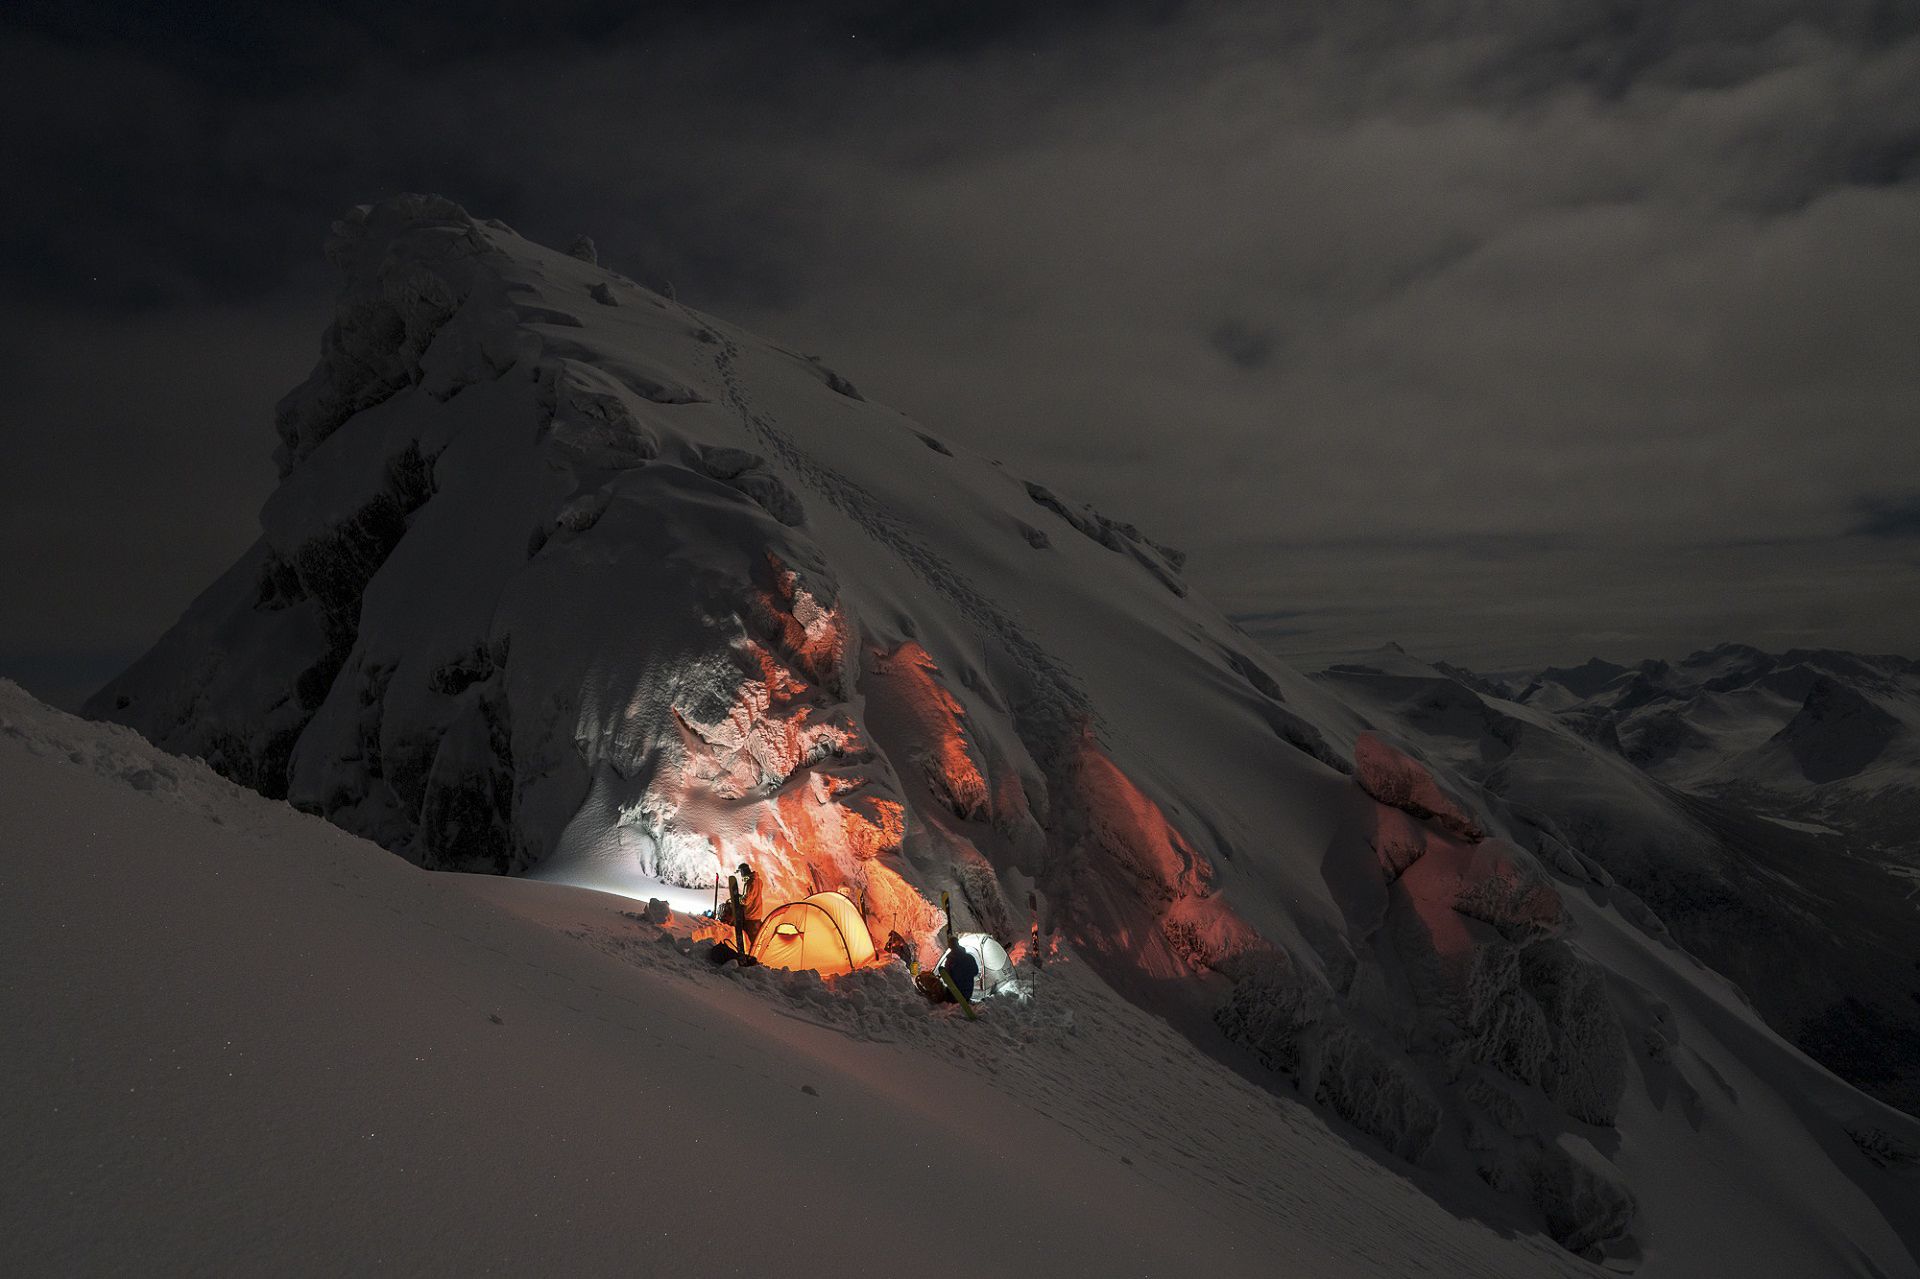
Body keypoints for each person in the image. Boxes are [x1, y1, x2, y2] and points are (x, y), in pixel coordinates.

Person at [939, 932, 980, 1002]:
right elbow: (975, 972)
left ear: (950, 947)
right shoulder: (969, 957)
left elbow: (947, 980)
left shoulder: (950, 961)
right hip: (968, 993)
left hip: (956, 995)